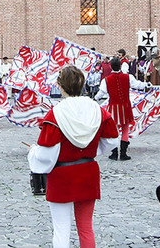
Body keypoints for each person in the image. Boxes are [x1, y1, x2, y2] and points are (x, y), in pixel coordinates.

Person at [28, 65, 119, 248]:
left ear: (60, 86)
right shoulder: (97, 110)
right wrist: (92, 151)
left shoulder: (56, 114)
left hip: (62, 175)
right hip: (87, 171)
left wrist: (33, 152)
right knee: (86, 228)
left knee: (61, 229)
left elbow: (47, 153)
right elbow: (112, 139)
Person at [95, 56, 150, 160]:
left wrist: (95, 98)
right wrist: (146, 84)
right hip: (125, 106)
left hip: (113, 107)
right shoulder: (128, 77)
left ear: (111, 66)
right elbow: (138, 85)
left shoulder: (106, 80)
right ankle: (123, 154)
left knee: (114, 130)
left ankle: (114, 153)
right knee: (125, 129)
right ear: (120, 66)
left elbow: (101, 93)